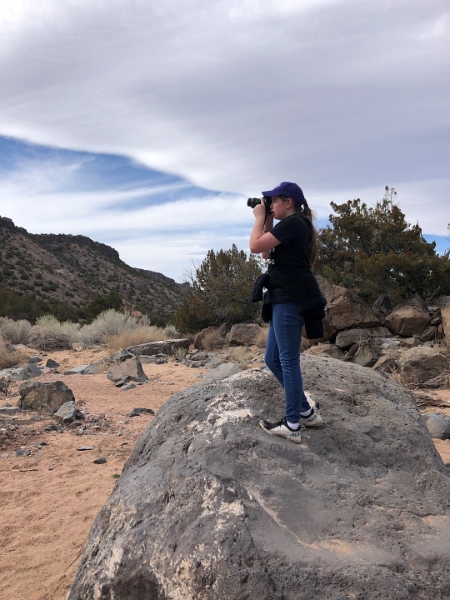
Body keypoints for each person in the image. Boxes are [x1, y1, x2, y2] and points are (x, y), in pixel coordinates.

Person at [249, 181, 326, 444]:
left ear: (288, 202)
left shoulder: (294, 224)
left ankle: (292, 424)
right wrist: (267, 220)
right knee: (272, 359)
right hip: (282, 299)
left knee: (288, 361)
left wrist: (259, 218)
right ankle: (305, 412)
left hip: (288, 300)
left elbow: (254, 246)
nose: (270, 205)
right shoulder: (291, 225)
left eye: (274, 201)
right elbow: (265, 253)